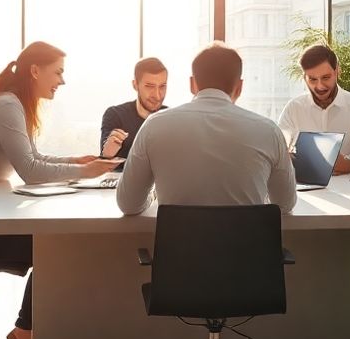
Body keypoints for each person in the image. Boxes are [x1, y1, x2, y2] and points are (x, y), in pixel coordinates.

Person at [0, 42, 123, 339]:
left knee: (58, 243)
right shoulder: (7, 105)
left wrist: (76, 160)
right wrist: (85, 171)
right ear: (36, 71)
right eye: (58, 72)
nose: (62, 81)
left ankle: (29, 332)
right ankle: (26, 331)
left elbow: (34, 159)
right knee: (58, 245)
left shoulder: (15, 105)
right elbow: (30, 171)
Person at [118, 42, 296, 214]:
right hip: (247, 245)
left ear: (192, 84)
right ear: (240, 87)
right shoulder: (268, 131)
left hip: (179, 245)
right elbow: (285, 203)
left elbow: (129, 204)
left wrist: (154, 196)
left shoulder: (154, 125)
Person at [277, 44, 350, 176]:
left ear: (337, 72)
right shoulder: (294, 107)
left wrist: (347, 164)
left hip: (347, 187)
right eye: (312, 79)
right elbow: (280, 148)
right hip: (303, 187)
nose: (320, 86)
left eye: (326, 78)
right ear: (304, 77)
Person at [99, 57, 169, 160]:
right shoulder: (115, 115)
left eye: (162, 86)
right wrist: (107, 154)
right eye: (149, 86)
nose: (157, 96)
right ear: (135, 85)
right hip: (121, 176)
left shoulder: (171, 117)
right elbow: (104, 161)